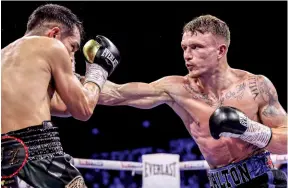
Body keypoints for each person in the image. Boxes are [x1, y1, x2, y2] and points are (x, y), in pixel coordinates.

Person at [97, 15, 287, 187]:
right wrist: (84, 75)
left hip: (264, 180)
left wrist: (249, 129)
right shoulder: (177, 89)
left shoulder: (256, 86)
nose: (187, 55)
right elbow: (117, 94)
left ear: (221, 51)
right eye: (184, 48)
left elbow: (285, 142)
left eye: (196, 47)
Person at [1, 3, 120, 188]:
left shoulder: (6, 57)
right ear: (54, 34)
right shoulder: (51, 47)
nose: (72, 56)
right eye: (72, 47)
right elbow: (84, 109)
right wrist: (99, 70)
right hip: (37, 153)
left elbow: (64, 106)